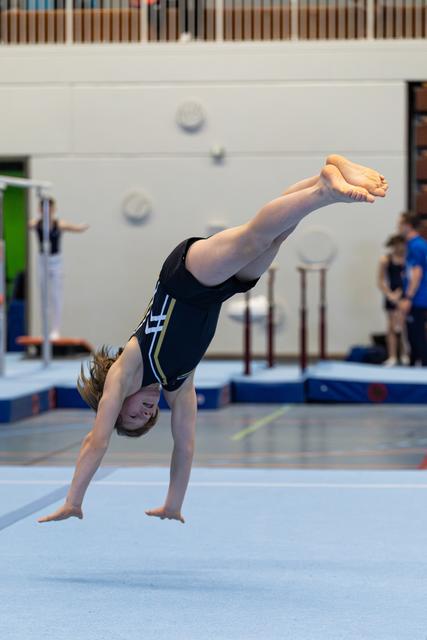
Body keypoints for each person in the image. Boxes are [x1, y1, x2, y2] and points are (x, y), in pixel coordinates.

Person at [37, 154, 387, 525]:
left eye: (136, 413)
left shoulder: (127, 368)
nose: (148, 410)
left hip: (184, 278)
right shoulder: (180, 385)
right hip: (215, 294)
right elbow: (184, 445)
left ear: (119, 403)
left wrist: (74, 499)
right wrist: (173, 503)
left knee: (254, 239)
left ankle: (326, 192)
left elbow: (97, 441)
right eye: (150, 416)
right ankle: (325, 177)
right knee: (274, 238)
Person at [28, 198, 89, 339]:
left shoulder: (59, 224)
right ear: (39, 210)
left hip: (56, 261)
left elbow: (76, 228)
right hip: (42, 261)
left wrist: (82, 227)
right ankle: (45, 329)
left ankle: (55, 330)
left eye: (49, 208)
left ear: (53, 209)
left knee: (56, 296)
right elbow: (28, 224)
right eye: (43, 208)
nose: (46, 211)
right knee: (44, 297)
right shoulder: (35, 223)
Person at [398, 211, 427, 366]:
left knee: (416, 337)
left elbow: (417, 273)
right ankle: (414, 367)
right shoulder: (415, 244)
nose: (398, 227)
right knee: (413, 336)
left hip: (418, 297)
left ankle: (421, 371)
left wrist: (408, 298)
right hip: (417, 296)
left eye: (400, 224)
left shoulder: (416, 245)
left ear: (408, 226)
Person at [377, 234, 409, 366]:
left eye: (401, 246)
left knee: (404, 326)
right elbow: (380, 281)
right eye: (396, 246)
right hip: (391, 295)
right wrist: (389, 294)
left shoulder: (409, 259)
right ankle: (392, 356)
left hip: (405, 294)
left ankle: (405, 354)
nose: (399, 249)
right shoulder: (385, 259)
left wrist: (402, 293)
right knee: (391, 327)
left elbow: (411, 279)